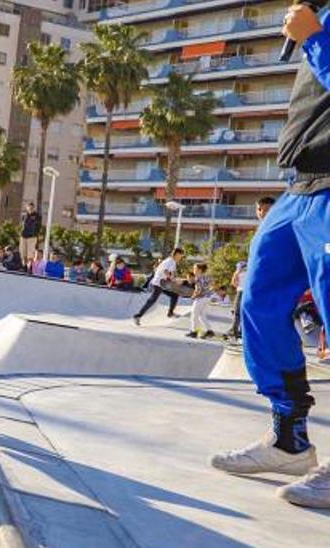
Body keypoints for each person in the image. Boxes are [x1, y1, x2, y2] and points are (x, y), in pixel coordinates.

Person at [207, 5, 330, 507]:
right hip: (302, 184)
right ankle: (288, 438)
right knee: (256, 299)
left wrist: (315, 41)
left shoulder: (315, 26)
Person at [133, 248, 184, 325]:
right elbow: (165, 271)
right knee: (152, 300)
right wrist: (172, 278)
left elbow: (172, 273)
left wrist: (175, 279)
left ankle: (170, 313)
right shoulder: (169, 261)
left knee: (174, 295)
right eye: (181, 255)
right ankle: (137, 316)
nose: (181, 257)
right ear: (177, 254)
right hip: (158, 283)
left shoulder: (173, 262)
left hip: (164, 284)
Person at [185, 263, 215, 339]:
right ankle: (209, 331)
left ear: (200, 270)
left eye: (195, 269)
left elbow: (199, 290)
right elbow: (212, 285)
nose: (194, 270)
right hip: (208, 298)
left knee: (194, 315)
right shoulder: (207, 276)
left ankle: (194, 332)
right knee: (202, 315)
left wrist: (194, 296)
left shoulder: (198, 278)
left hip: (201, 298)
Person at [228, 261, 247, 339]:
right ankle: (242, 331)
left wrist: (236, 273)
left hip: (240, 292)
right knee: (244, 313)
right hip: (248, 293)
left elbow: (233, 283)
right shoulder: (249, 273)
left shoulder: (239, 273)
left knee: (236, 312)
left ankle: (234, 331)